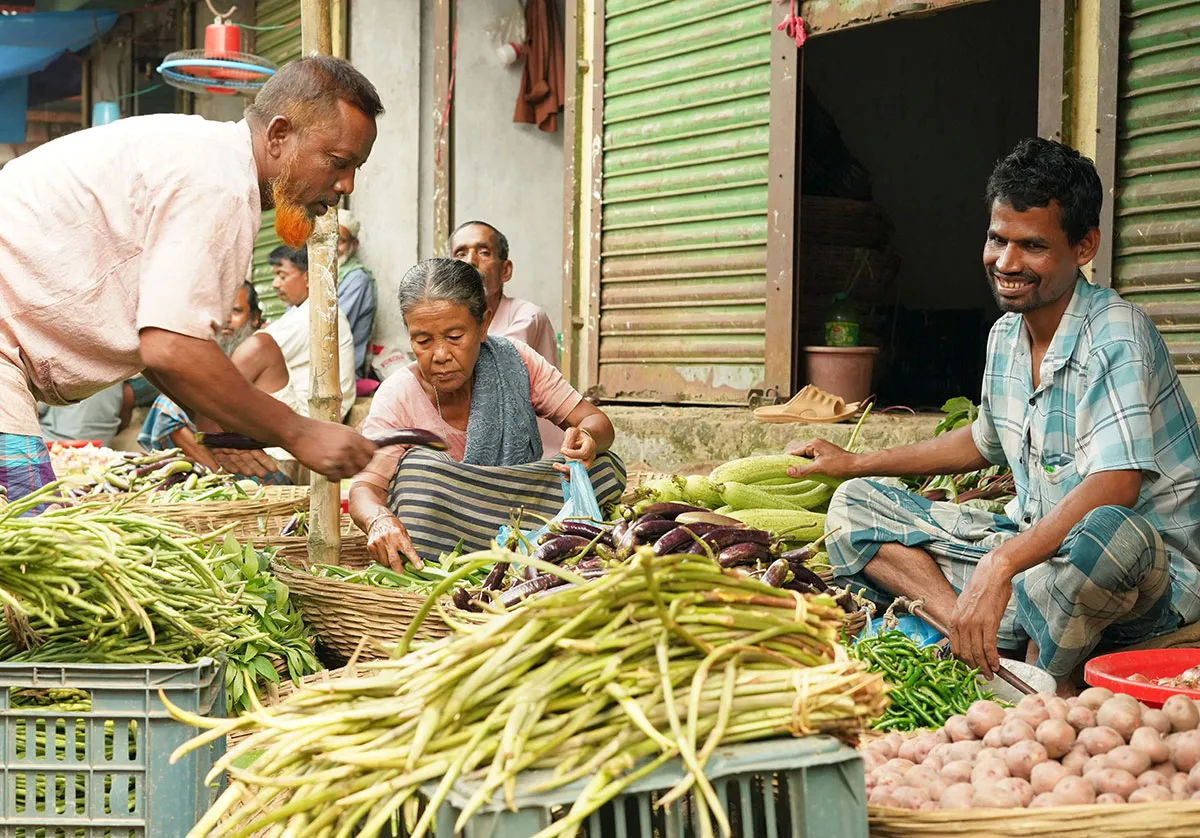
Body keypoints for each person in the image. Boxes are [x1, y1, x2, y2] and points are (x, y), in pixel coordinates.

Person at [788, 138, 1200, 691]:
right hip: (1038, 560)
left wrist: (1000, 565)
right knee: (853, 508)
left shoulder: (1115, 335)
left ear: (1084, 246)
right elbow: (983, 441)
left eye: (1031, 246)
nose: (1005, 263)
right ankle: (971, 633)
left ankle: (1031, 685)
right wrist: (854, 463)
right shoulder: (1006, 335)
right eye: (996, 238)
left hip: (1138, 579)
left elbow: (1117, 484)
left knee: (1110, 534)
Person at [0, 56, 383, 502]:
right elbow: (171, 347)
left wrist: (211, 420)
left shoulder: (205, 156)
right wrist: (299, 433)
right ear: (279, 136)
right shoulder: (219, 184)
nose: (347, 185)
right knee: (30, 551)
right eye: (338, 162)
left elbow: (159, 344)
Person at [348, 258, 625, 570]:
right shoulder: (398, 393)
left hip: (524, 508)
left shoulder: (515, 362)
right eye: (423, 341)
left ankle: (526, 545)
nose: (440, 355)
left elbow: (597, 422)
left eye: (455, 337)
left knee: (604, 467)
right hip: (448, 526)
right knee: (418, 475)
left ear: (483, 325)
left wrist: (586, 438)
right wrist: (379, 520)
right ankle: (534, 549)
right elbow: (365, 488)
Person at [139, 282, 297, 483]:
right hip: (242, 459)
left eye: (237, 311)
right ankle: (212, 480)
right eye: (221, 312)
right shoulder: (225, 355)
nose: (227, 320)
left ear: (255, 318)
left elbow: (211, 407)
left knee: (168, 407)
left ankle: (219, 482)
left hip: (269, 466)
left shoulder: (258, 345)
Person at [449, 220, 563, 457]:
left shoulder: (527, 317)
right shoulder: (447, 323)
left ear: (506, 270)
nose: (470, 261)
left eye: (483, 252)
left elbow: (484, 364)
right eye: (460, 253)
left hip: (533, 453)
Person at [251, 244, 357, 420]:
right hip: (301, 413)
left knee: (256, 350)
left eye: (282, 276)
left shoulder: (318, 314)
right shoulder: (300, 312)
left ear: (308, 278)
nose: (275, 284)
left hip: (309, 419)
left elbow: (258, 349)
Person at [336, 208, 377, 379]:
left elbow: (332, 329)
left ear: (354, 245)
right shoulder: (316, 276)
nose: (333, 247)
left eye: (340, 241)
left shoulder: (357, 280)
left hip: (342, 374)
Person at [38, 382, 134, 447]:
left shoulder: (62, 374)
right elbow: (123, 425)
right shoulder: (124, 387)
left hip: (53, 445)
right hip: (98, 448)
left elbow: (33, 412)